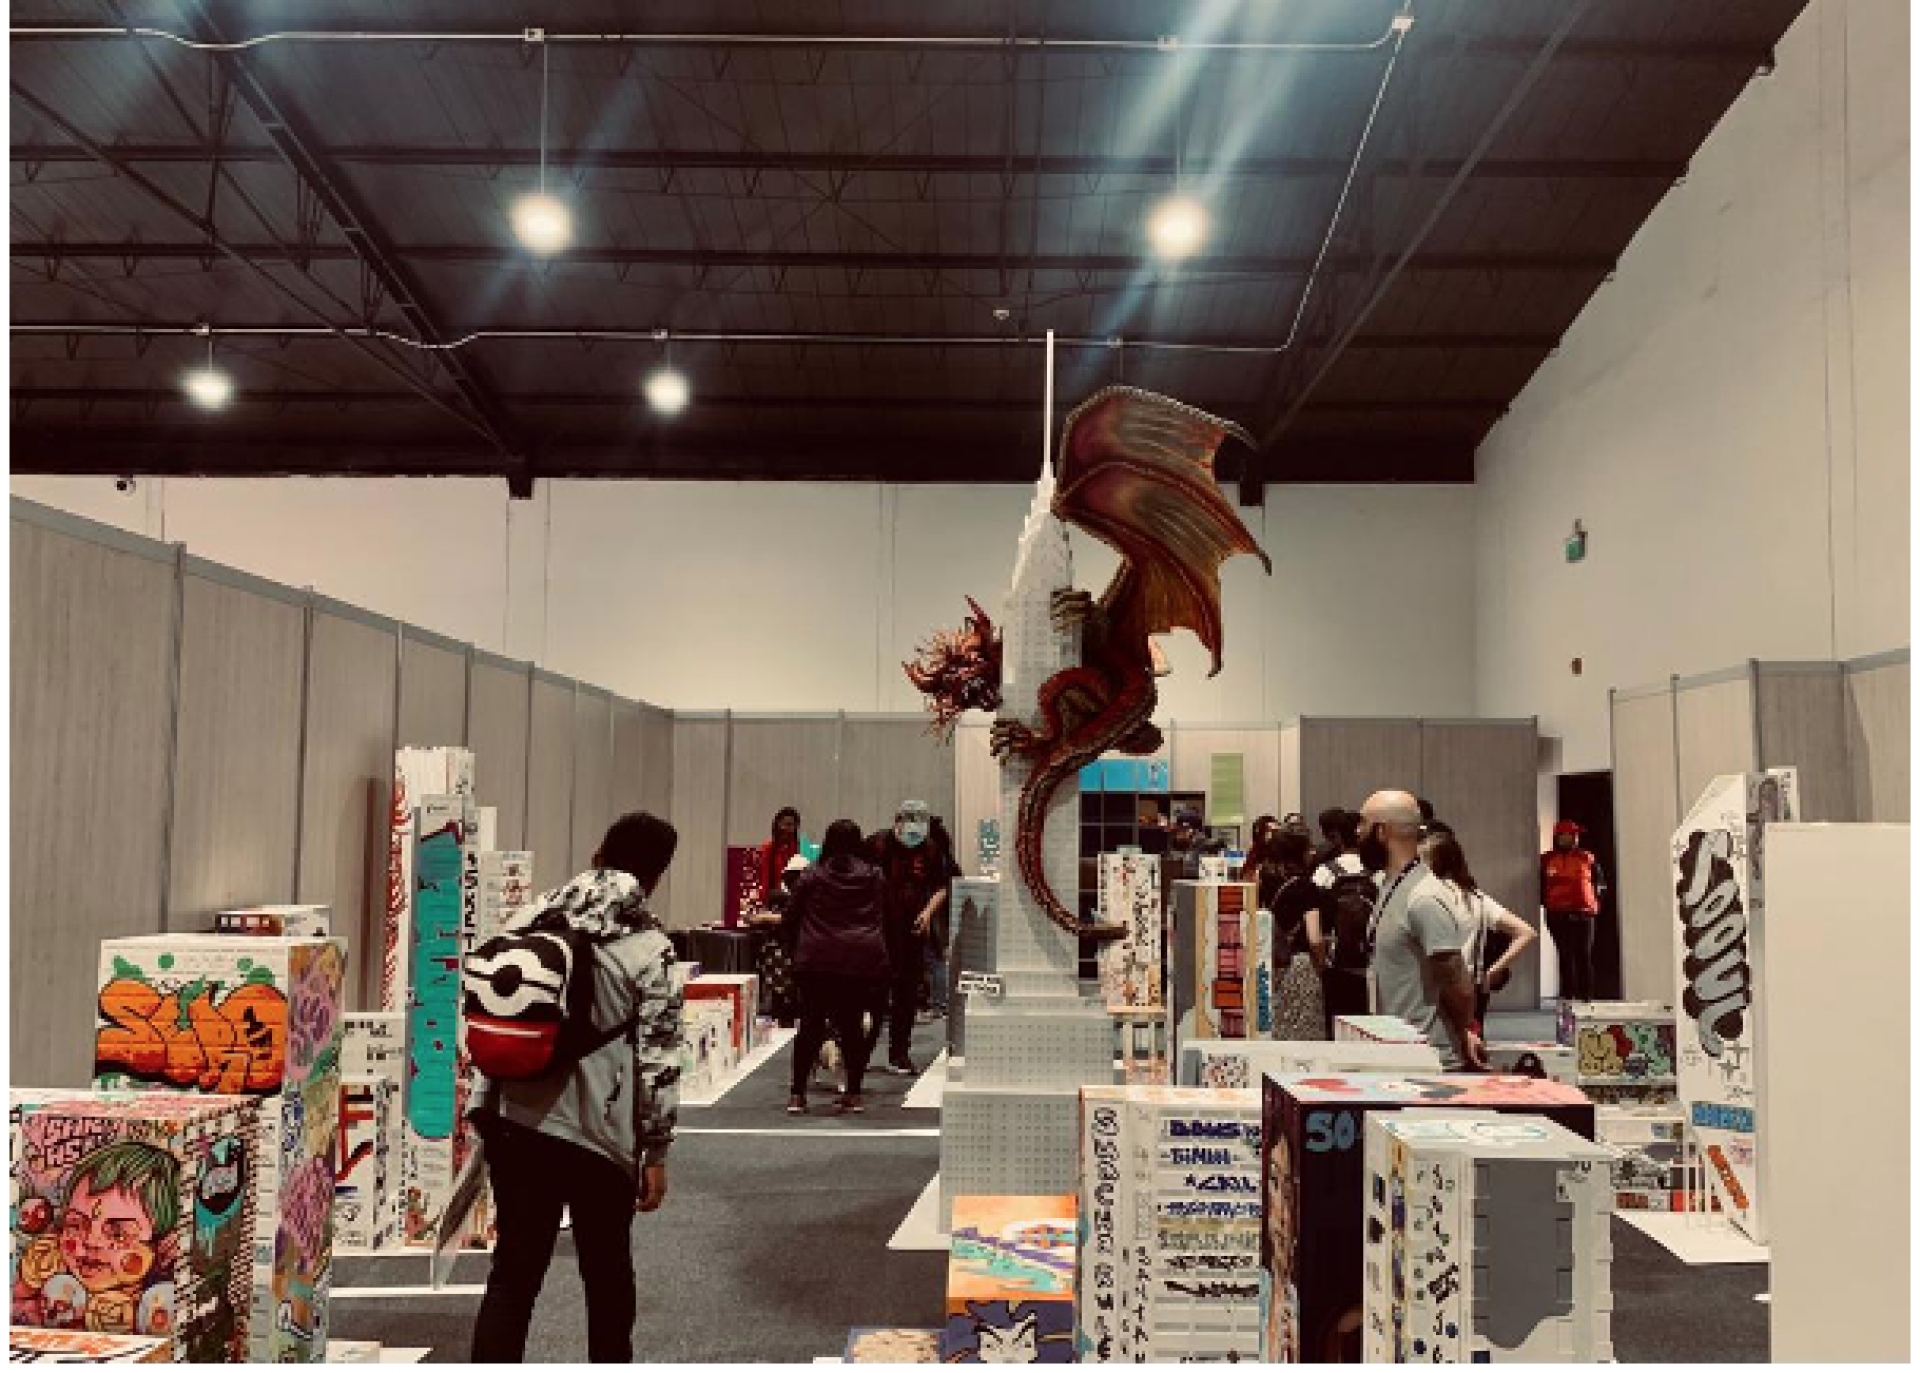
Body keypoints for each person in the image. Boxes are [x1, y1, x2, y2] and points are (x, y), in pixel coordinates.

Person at [470, 811, 683, 1364]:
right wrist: (656, 1150)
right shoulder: (650, 948)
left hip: (517, 1119)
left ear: (597, 853)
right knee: (607, 1273)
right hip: (600, 1137)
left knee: (513, 1275)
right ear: (655, 876)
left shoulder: (530, 918)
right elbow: (659, 1058)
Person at [1355, 790, 1487, 1070]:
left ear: (1382, 831)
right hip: (1398, 1054)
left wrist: (1466, 1027)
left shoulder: (1424, 897)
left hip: (1428, 1061)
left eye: (1363, 823)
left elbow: (1456, 980)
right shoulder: (1391, 885)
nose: (1357, 832)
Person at [782, 819, 891, 1114]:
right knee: (852, 1028)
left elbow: (790, 916)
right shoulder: (874, 875)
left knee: (810, 1027)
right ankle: (853, 1094)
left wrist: (795, 951)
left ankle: (798, 1095)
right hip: (860, 960)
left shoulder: (812, 875)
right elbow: (887, 915)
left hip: (816, 960)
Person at [869, 800, 958, 1075]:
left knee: (906, 995)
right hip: (876, 930)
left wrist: (928, 912)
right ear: (897, 821)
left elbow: (944, 884)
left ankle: (899, 1054)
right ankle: (860, 1052)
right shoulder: (877, 844)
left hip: (913, 930)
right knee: (873, 994)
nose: (913, 831)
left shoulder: (931, 849)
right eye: (908, 822)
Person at [1423, 830, 1538, 1026]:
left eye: (1423, 860)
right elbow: (1526, 932)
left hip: (1439, 988)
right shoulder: (1476, 897)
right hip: (1471, 985)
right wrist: (1493, 971)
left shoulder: (1429, 897)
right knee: (1471, 1036)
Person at [1305, 810, 1377, 1030]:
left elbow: (1314, 913)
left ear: (1339, 837)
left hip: (1336, 959)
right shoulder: (1377, 872)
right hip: (1372, 961)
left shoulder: (1325, 871)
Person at [1264, 830, 1328, 1040]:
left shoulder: (1267, 883)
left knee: (1279, 1027)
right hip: (1300, 967)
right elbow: (1314, 937)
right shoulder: (1306, 888)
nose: (1312, 853)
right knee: (1304, 1031)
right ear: (1299, 854)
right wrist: (1321, 962)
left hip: (1273, 965)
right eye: (1308, 849)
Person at [748, 808, 804, 1026]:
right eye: (784, 823)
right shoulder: (766, 850)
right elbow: (761, 885)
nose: (788, 828)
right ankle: (777, 1004)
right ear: (776, 824)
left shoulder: (803, 851)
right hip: (772, 912)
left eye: (792, 824)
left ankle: (790, 1006)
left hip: (793, 917)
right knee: (773, 960)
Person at [1541, 820, 1607, 1003]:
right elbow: (1539, 885)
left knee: (1584, 954)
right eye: (1570, 834)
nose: (1574, 838)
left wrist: (1596, 902)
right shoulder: (1546, 860)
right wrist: (1547, 903)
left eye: (1575, 835)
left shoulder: (1587, 858)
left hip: (1584, 914)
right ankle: (1567, 995)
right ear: (1558, 837)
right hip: (1557, 914)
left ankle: (1586, 996)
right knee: (1565, 954)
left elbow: (1600, 883)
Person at [1238, 815, 1280, 882]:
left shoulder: (1282, 852)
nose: (1272, 835)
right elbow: (1246, 876)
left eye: (1276, 831)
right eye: (1268, 831)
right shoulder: (1255, 852)